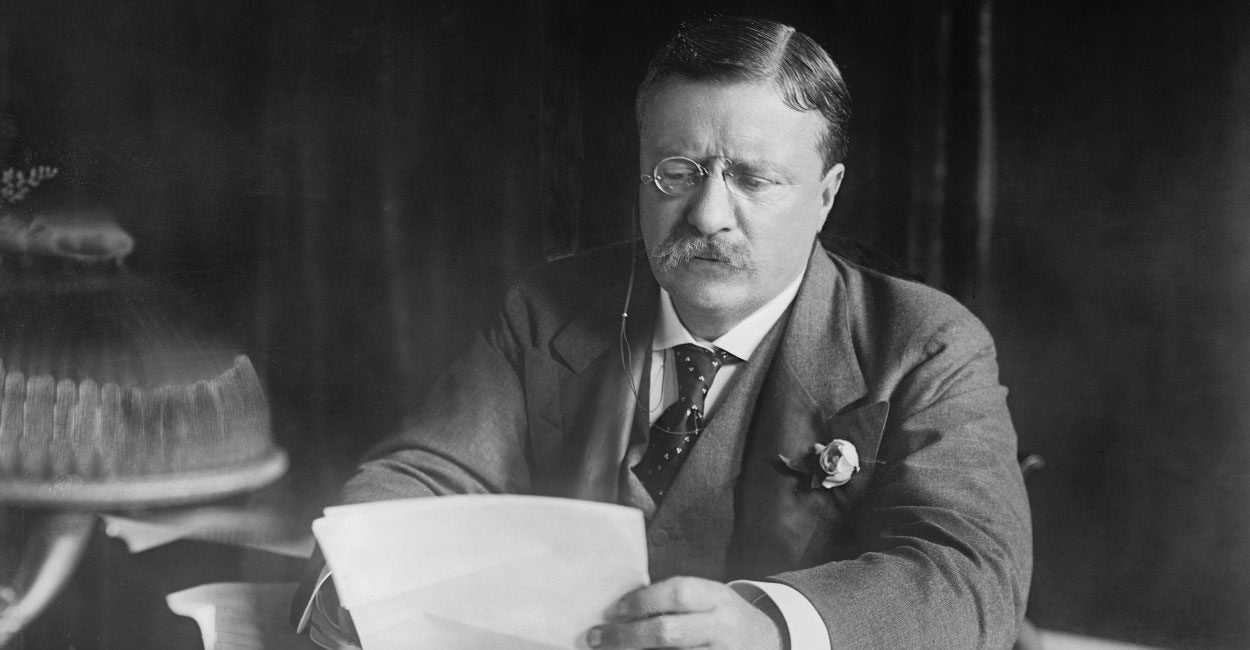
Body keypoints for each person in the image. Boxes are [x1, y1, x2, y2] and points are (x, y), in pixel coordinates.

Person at [294, 14, 1031, 649]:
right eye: (677, 172)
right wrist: (355, 584)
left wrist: (769, 629)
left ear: (825, 197)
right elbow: (424, 476)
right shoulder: (548, 307)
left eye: (753, 179)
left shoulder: (926, 345)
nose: (708, 215)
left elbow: (968, 572)